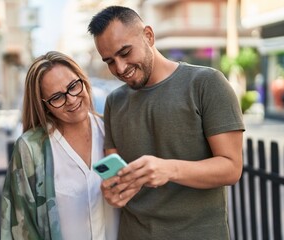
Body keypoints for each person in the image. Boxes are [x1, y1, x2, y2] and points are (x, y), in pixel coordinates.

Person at [88, 6, 245, 240]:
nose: (119, 68)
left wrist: (168, 169)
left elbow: (231, 168)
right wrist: (114, 191)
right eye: (110, 61)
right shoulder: (114, 101)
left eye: (125, 52)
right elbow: (117, 177)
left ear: (149, 36)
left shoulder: (206, 83)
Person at [0, 51, 119, 240]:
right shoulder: (31, 149)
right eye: (56, 97)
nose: (71, 99)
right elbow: (20, 226)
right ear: (44, 105)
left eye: (73, 86)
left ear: (83, 80)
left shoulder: (113, 131)